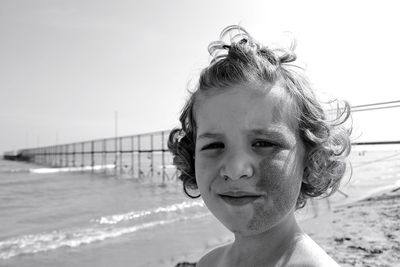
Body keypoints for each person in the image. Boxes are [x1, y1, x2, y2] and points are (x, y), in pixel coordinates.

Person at [168, 25, 351, 267]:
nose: (235, 169)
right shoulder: (208, 262)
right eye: (214, 145)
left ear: (310, 160)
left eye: (264, 143)